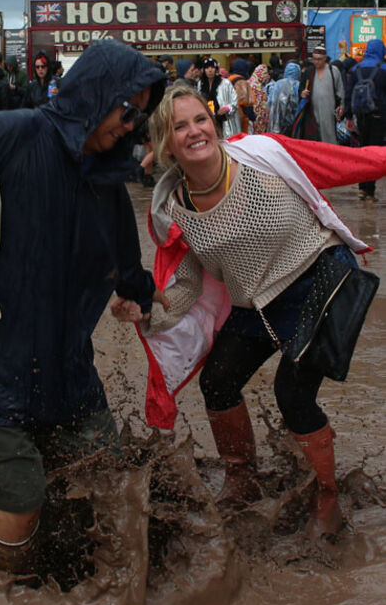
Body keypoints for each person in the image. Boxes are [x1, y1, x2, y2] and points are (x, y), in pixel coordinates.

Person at [0, 39, 166, 574]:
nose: (132, 125)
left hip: (68, 369)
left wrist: (136, 290)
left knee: (113, 478)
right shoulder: (5, 135)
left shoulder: (106, 172)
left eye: (142, 113)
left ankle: (108, 585)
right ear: (95, 94)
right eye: (127, 109)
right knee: (22, 500)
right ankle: (4, 601)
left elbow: (121, 245)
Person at [126, 85, 386, 538]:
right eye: (179, 126)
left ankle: (328, 497)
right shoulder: (173, 209)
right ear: (164, 145)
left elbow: (350, 162)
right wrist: (148, 315)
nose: (194, 132)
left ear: (215, 123)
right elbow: (186, 284)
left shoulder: (263, 154)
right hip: (260, 304)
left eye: (200, 120)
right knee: (218, 381)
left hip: (321, 277)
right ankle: (242, 480)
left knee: (292, 393)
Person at [344, 39, 386, 202]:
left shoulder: (355, 69)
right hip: (379, 116)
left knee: (363, 151)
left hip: (360, 116)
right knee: (374, 153)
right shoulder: (383, 69)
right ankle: (370, 191)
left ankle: (362, 188)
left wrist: (348, 116)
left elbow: (348, 95)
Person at [300, 45, 344, 144]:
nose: (316, 62)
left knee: (330, 136)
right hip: (312, 112)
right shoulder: (309, 72)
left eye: (319, 59)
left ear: (325, 59)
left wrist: (341, 107)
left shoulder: (334, 71)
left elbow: (340, 91)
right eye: (314, 59)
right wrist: (302, 93)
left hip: (329, 112)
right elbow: (301, 88)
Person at [197, 57, 240, 137]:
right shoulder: (201, 84)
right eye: (207, 68)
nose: (210, 70)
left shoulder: (225, 83)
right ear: (204, 70)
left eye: (212, 67)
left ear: (216, 69)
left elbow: (235, 101)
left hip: (223, 120)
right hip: (207, 119)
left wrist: (227, 108)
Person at [268, 61, 301, 135]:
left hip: (276, 121)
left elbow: (270, 102)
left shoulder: (278, 84)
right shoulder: (298, 85)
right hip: (292, 122)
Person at [228, 59, 255, 133]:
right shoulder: (241, 82)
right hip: (242, 120)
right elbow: (245, 103)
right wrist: (252, 117)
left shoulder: (228, 80)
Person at [248, 63, 270, 134]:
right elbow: (259, 104)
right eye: (265, 73)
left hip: (251, 117)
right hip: (257, 117)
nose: (266, 76)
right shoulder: (257, 86)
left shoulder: (249, 82)